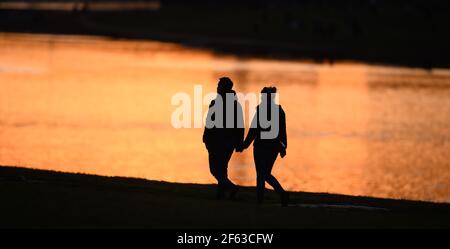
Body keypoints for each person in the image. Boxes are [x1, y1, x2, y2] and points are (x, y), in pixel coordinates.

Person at [238, 86, 289, 206]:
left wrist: (244, 145)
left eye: (263, 97)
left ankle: (270, 197)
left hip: (262, 147)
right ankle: (278, 195)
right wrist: (283, 146)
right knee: (264, 174)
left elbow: (253, 131)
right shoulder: (279, 112)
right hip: (273, 148)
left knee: (262, 174)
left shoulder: (262, 111)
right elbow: (283, 132)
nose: (261, 99)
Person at [203, 77, 244, 199]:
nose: (217, 87)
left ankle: (231, 187)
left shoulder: (216, 103)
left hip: (218, 141)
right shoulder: (235, 104)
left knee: (215, 170)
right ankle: (221, 193)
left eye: (219, 85)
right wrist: (239, 142)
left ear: (224, 88)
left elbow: (209, 122)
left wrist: (206, 136)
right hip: (228, 142)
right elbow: (240, 126)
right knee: (222, 168)